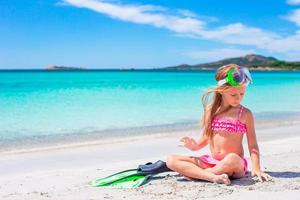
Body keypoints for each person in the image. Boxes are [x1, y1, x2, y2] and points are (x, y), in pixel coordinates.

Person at [166, 64, 272, 185]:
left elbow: (253, 145)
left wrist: (256, 168)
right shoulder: (211, 111)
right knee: (171, 160)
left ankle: (202, 175)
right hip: (212, 161)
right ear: (221, 90)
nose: (238, 98)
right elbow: (207, 137)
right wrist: (194, 146)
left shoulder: (245, 114)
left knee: (232, 158)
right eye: (233, 95)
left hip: (235, 165)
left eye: (242, 94)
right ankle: (212, 176)